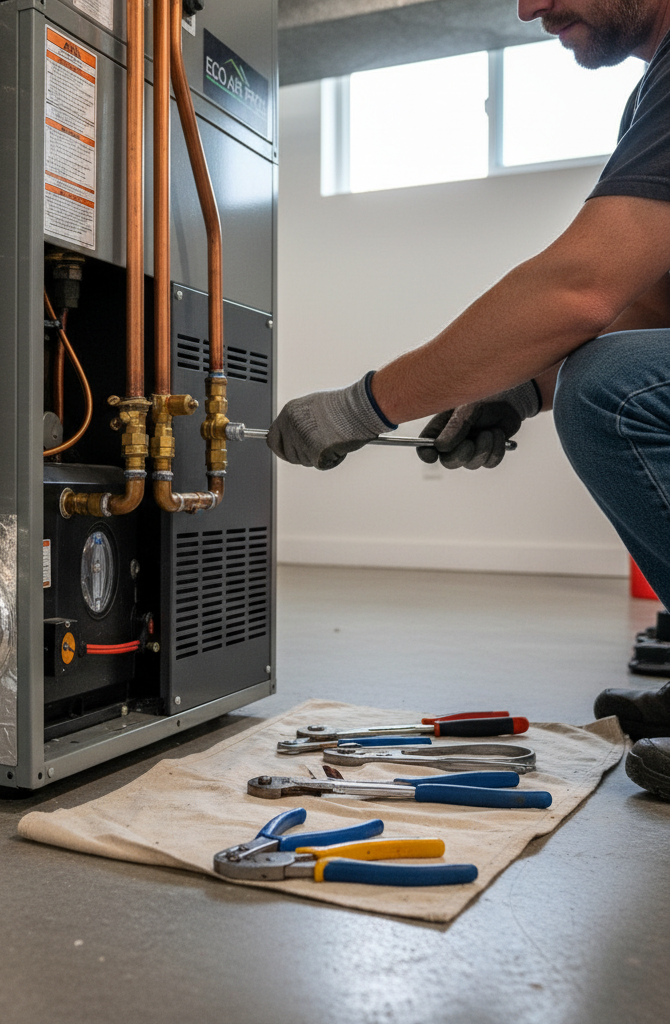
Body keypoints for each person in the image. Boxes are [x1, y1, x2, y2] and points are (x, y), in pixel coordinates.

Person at [268, 0, 670, 801]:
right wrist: (516, 393)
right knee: (609, 375)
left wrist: (361, 406)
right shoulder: (650, 92)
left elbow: (581, 287)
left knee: (612, 393)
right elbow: (651, 308)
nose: (527, 8)